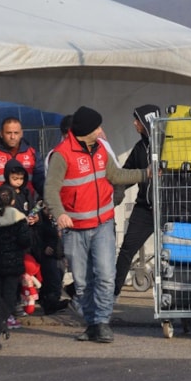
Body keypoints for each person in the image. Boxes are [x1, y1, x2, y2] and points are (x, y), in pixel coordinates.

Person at [44, 105, 150, 343]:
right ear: (86, 131)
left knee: (105, 275)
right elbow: (51, 188)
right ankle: (92, 324)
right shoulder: (61, 155)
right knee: (82, 283)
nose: (102, 131)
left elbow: (116, 176)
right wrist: (59, 213)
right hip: (74, 229)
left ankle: (102, 322)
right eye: (98, 127)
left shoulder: (101, 149)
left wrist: (145, 174)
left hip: (102, 224)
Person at [114, 104, 160, 297]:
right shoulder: (139, 148)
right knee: (126, 251)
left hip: (170, 209)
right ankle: (111, 295)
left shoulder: (169, 143)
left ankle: (181, 298)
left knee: (176, 253)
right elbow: (126, 174)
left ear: (147, 121)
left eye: (137, 120)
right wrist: (115, 192)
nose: (134, 123)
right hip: (144, 210)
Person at [0, 185, 37, 330]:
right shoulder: (19, 219)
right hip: (14, 263)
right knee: (10, 293)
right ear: (13, 201)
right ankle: (7, 317)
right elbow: (25, 241)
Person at [0, 117, 45, 197]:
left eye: (16, 133)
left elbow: (41, 182)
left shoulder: (33, 154)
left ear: (21, 134)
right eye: (8, 133)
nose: (12, 137)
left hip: (26, 204)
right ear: (1, 133)